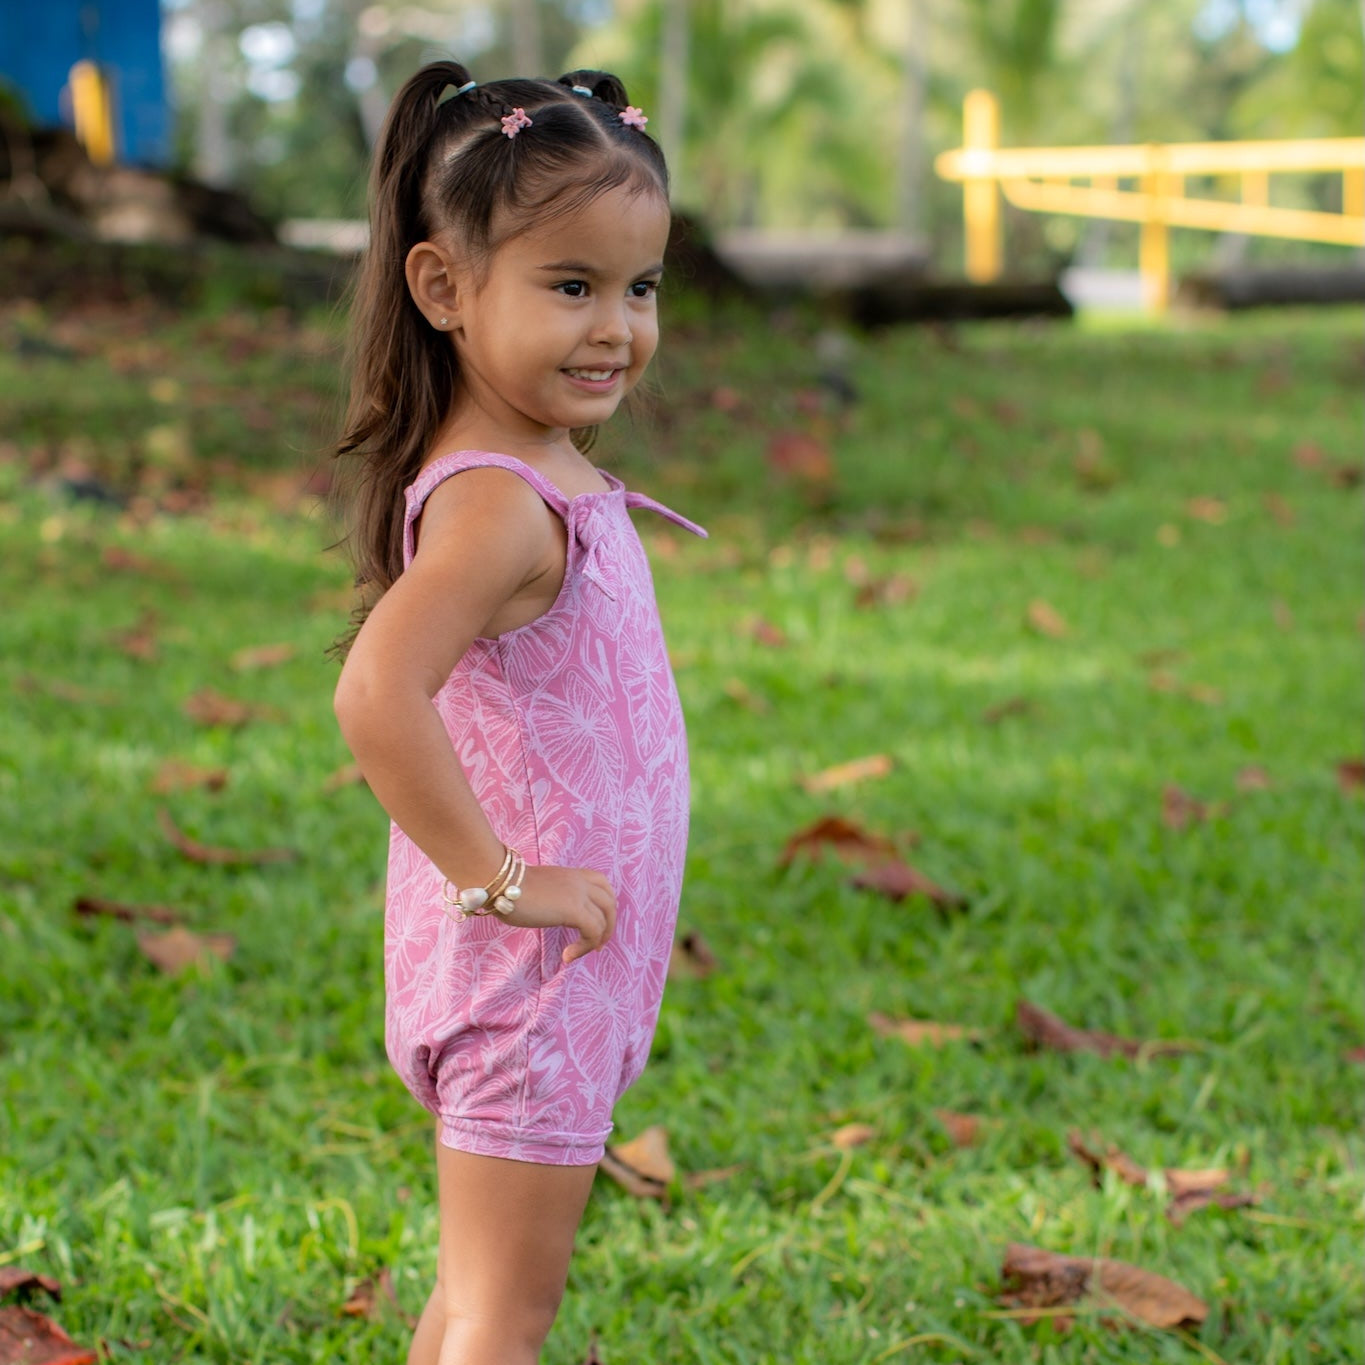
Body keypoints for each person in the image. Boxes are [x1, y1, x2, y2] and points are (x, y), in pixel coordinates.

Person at [330, 58, 706, 1365]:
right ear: (444, 288)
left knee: (475, 1292)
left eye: (638, 286)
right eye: (570, 285)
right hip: (524, 984)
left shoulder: (542, 471)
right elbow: (376, 692)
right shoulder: (497, 503)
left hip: (553, 982)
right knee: (505, 1311)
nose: (615, 326)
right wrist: (499, 880)